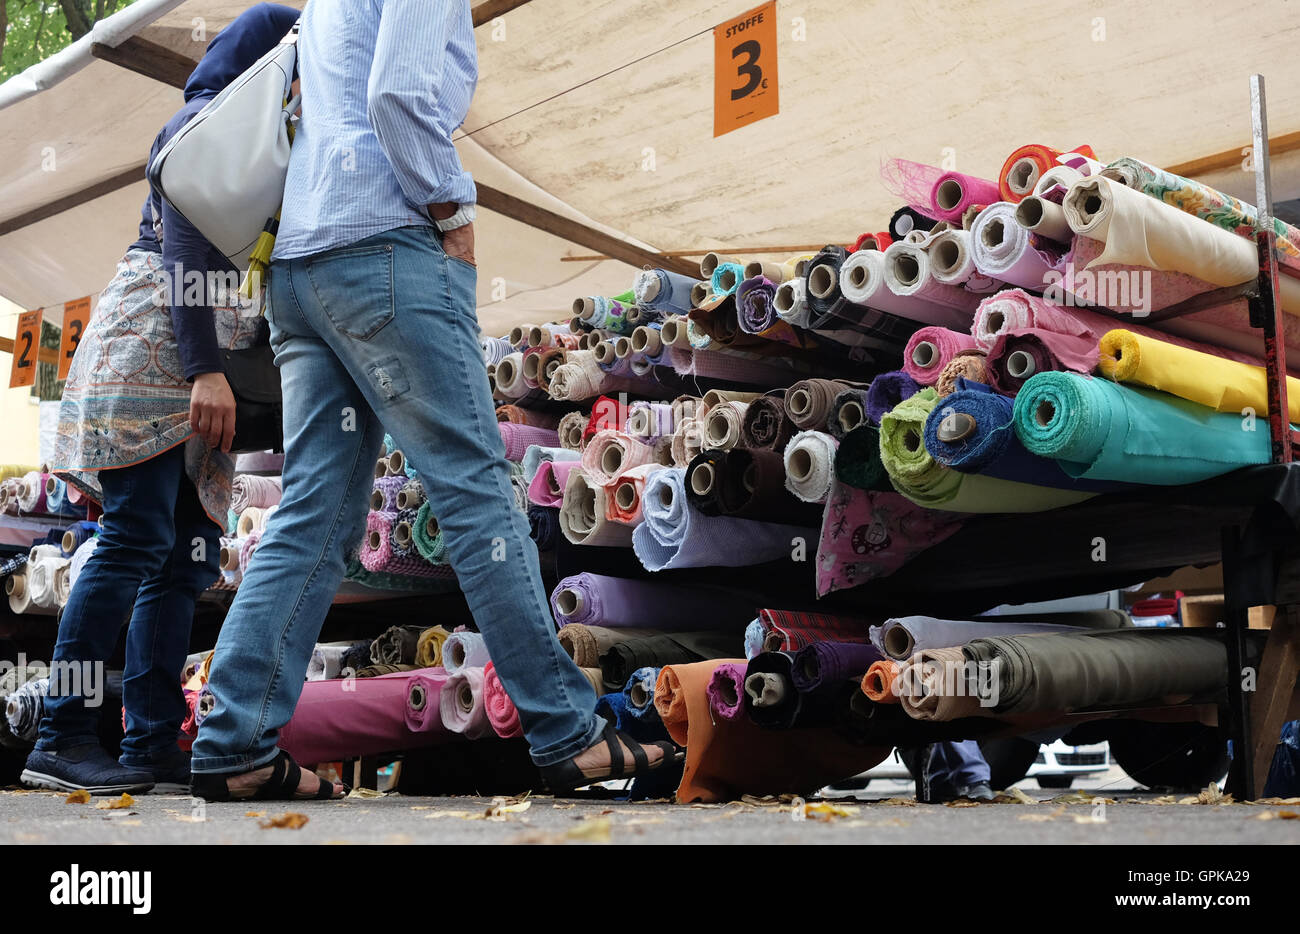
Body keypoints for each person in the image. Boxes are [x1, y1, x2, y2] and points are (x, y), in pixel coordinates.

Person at [190, 0, 675, 801]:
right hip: (384, 244)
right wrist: (452, 205)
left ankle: (234, 741)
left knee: (313, 511)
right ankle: (567, 732)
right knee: (476, 488)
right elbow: (398, 96)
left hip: (301, 266)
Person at [20, 4, 302, 796]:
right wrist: (207, 368)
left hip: (190, 353)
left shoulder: (269, 150)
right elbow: (182, 249)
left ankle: (147, 744)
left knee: (181, 562)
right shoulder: (206, 123)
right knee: (136, 536)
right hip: (160, 343)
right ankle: (62, 733)